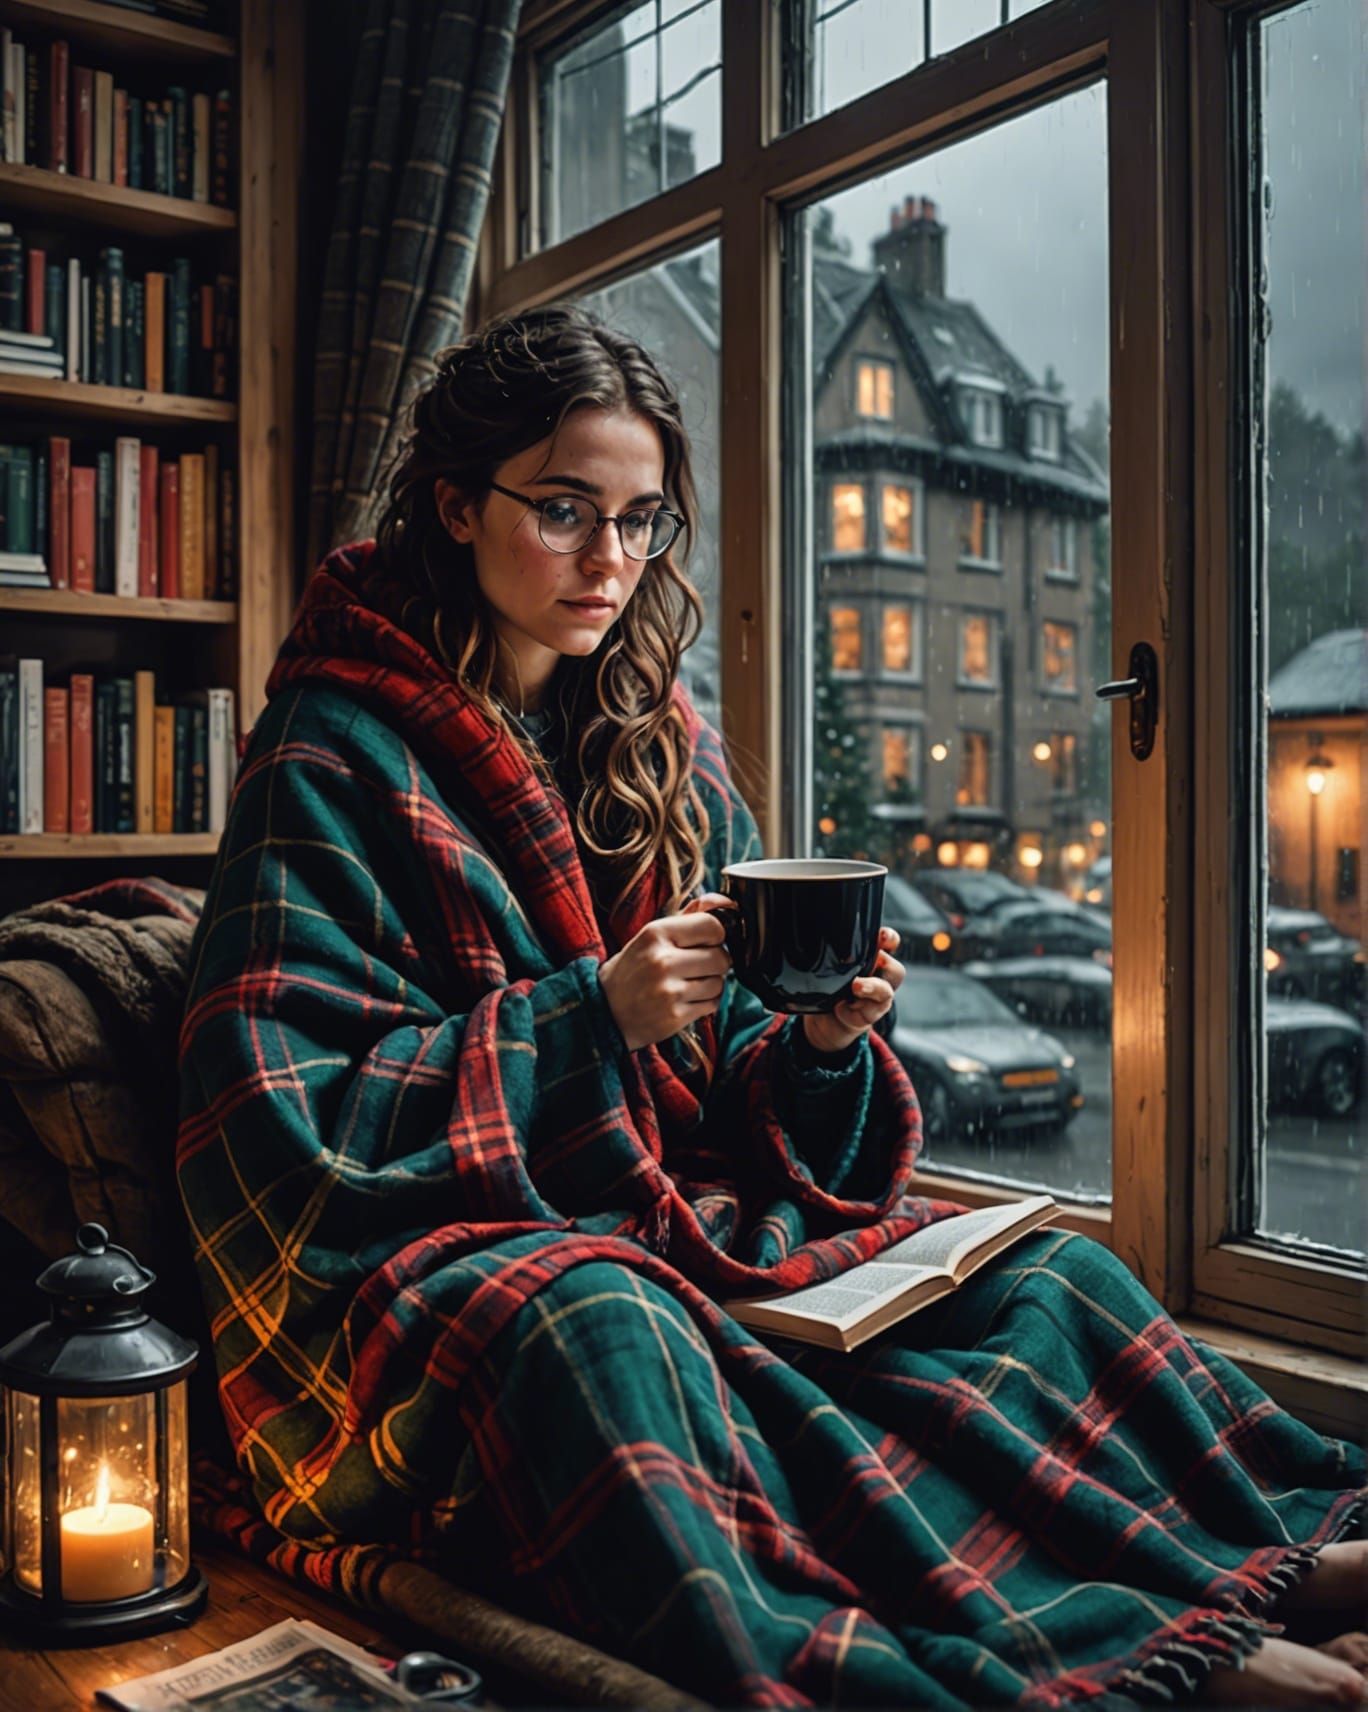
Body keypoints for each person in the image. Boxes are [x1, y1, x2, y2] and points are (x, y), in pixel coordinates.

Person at [177, 304, 1366, 1710]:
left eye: (640, 520)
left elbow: (730, 1054)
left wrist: (817, 1046)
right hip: (446, 1246)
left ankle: (1256, 1557)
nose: (610, 561)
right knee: (604, 1328)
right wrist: (587, 1019)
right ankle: (1109, 1662)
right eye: (565, 511)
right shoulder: (328, 752)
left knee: (1040, 1273)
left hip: (684, 1202)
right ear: (456, 503)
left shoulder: (663, 739)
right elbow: (270, 1121)